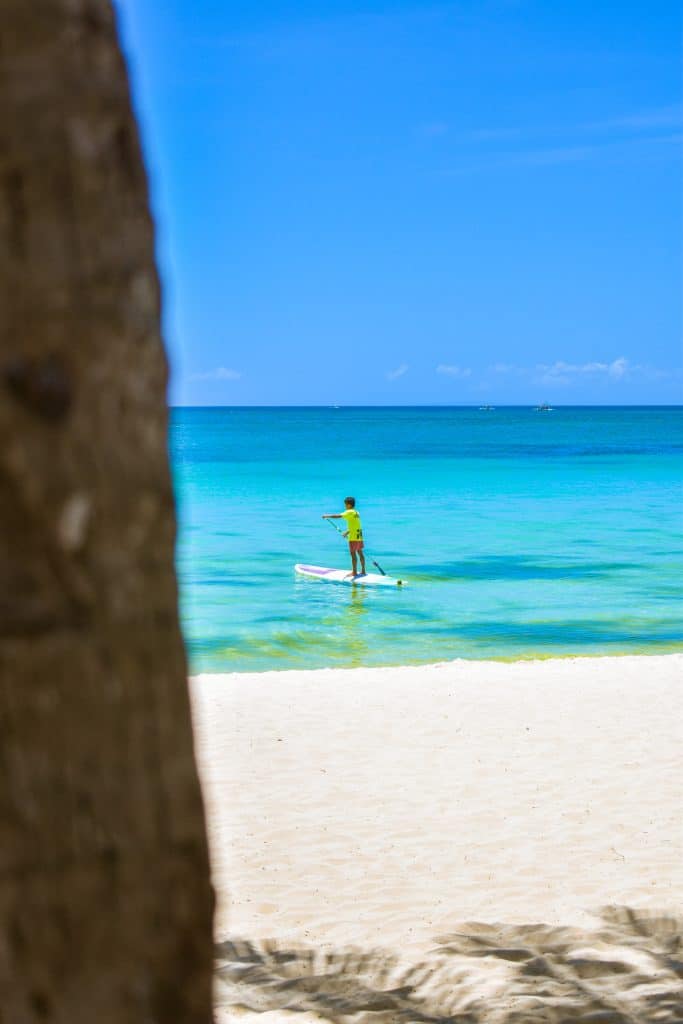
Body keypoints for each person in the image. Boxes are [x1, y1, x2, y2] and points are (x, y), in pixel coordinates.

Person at [322, 496, 366, 577]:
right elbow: (355, 525)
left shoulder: (349, 512)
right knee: (360, 553)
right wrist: (347, 532)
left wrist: (326, 516)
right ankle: (363, 571)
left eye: (345, 504)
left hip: (353, 537)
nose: (345, 506)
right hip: (359, 535)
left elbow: (338, 516)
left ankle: (354, 572)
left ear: (349, 505)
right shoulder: (356, 512)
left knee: (353, 554)